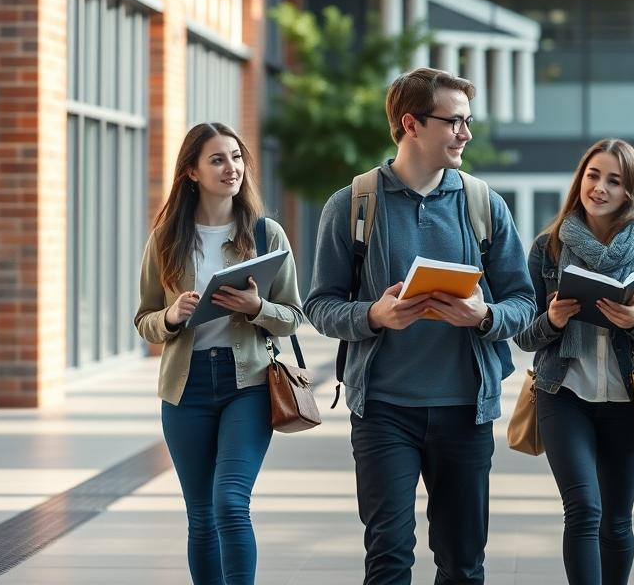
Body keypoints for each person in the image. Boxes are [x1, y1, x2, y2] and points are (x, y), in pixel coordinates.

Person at [305, 67, 537, 585]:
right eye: (454, 122)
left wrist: (486, 316)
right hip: (384, 409)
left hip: (464, 409)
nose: (466, 134)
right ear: (410, 123)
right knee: (388, 556)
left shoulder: (484, 206)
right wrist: (372, 314)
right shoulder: (352, 206)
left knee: (463, 561)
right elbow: (319, 305)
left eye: (467, 121)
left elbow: (524, 302)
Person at [134, 122, 306, 585]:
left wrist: (257, 308)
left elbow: (293, 315)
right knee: (201, 515)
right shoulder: (166, 239)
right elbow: (144, 318)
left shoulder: (266, 235)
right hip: (185, 389)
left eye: (236, 157)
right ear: (191, 170)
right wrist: (170, 317)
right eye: (217, 159)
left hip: (246, 385)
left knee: (230, 502)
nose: (231, 168)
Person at [514, 138, 634, 585]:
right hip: (563, 395)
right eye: (593, 175)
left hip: (629, 399)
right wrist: (550, 319)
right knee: (584, 509)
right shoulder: (547, 249)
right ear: (579, 180)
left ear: (631, 192)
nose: (600, 188)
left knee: (617, 520)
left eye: (614, 180)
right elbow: (525, 336)